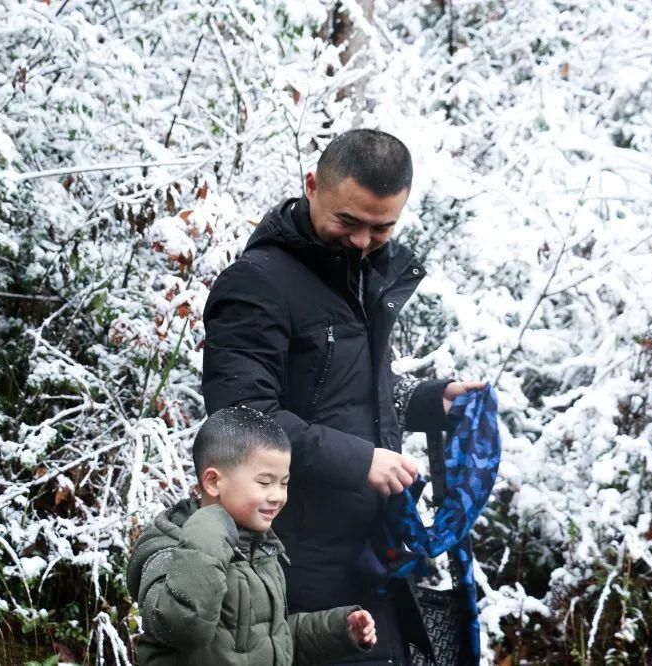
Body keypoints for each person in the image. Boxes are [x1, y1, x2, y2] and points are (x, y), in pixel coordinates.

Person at [202, 128, 485, 664]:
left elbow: (341, 390)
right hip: (288, 566)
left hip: (366, 557)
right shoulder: (256, 284)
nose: (361, 240)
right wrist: (362, 461)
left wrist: (426, 400)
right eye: (348, 222)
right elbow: (240, 421)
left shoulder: (362, 277)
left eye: (382, 228)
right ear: (312, 186)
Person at [126, 406, 378, 665]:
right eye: (265, 482)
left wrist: (338, 631)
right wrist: (210, 526)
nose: (278, 496)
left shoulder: (261, 548)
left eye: (284, 483)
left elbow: (267, 640)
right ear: (213, 482)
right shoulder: (169, 546)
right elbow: (182, 627)